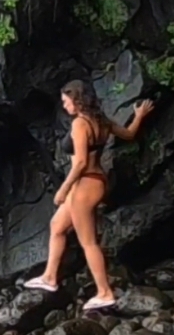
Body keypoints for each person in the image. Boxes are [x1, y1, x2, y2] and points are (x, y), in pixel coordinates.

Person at [24, 80, 154, 311]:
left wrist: (64, 188)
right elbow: (129, 133)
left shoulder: (80, 124)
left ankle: (105, 292)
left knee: (88, 242)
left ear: (77, 100)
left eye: (67, 102)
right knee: (57, 226)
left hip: (85, 184)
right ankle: (50, 277)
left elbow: (81, 162)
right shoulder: (101, 120)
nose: (65, 106)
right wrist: (139, 115)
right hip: (95, 182)